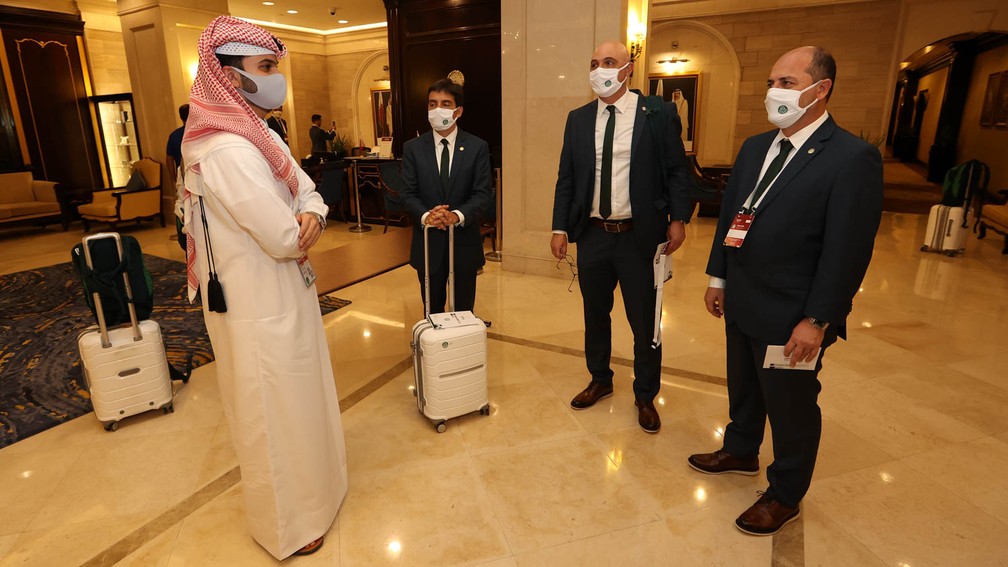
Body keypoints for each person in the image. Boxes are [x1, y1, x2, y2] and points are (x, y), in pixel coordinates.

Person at [688, 46, 883, 536]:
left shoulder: (851, 157)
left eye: (789, 83)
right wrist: (719, 278)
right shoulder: (756, 146)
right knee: (745, 385)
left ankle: (785, 492)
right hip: (743, 296)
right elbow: (733, 215)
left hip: (794, 310)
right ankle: (740, 449)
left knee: (792, 406)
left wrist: (817, 319)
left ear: (822, 90)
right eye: (773, 82)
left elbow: (848, 250)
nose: (776, 92)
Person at [180, 16, 347, 559]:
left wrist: (312, 214)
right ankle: (288, 527)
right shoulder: (224, 149)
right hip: (253, 303)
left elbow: (308, 191)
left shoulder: (262, 136)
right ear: (230, 76)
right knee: (270, 417)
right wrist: (303, 220)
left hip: (286, 291)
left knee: (299, 401)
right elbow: (280, 234)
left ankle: (320, 496)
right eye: (266, 67)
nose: (276, 79)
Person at [550, 40, 691, 434]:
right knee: (595, 314)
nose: (600, 69)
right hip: (593, 234)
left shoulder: (656, 114)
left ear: (628, 69)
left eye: (609, 62)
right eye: (594, 63)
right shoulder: (578, 119)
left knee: (645, 321)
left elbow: (677, 170)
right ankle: (600, 379)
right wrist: (560, 227)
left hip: (638, 237)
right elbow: (567, 178)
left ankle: (646, 394)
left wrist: (678, 218)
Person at [399, 77, 493, 314]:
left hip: (464, 245)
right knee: (432, 311)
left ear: (458, 111)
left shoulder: (477, 147)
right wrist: (426, 216)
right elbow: (407, 193)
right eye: (432, 104)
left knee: (463, 311)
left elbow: (482, 194)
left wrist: (456, 216)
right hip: (428, 245)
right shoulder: (413, 148)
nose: (437, 109)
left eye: (445, 104)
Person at [165, 104, 189, 187]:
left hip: (182, 176)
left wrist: (173, 178)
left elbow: (169, 159)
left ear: (180, 117)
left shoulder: (174, 136)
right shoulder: (198, 133)